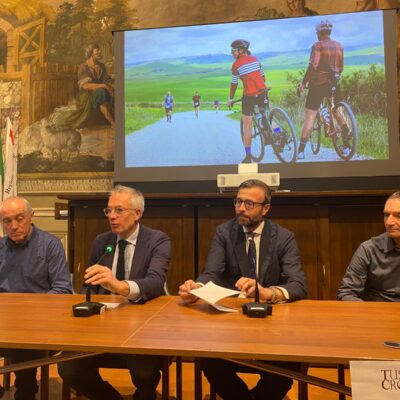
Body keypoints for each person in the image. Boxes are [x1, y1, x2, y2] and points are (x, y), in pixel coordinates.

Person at [179, 179, 307, 400]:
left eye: (249, 204)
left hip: (272, 324)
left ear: (265, 209)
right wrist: (197, 288)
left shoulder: (283, 237)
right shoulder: (225, 232)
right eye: (238, 202)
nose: (241, 208)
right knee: (208, 359)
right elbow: (212, 272)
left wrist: (268, 293)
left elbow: (298, 284)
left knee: (288, 364)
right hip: (231, 322)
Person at [58, 185, 171, 400]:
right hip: (101, 327)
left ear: (137, 214)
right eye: (108, 210)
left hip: (142, 328)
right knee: (68, 368)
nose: (111, 216)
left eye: (119, 210)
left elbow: (156, 282)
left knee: (145, 373)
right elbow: (88, 285)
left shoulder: (157, 240)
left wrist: (120, 286)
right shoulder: (102, 241)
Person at [0, 196, 72, 400]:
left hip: (39, 324)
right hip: (5, 323)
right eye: (7, 221)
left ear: (31, 217)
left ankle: (25, 392)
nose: (14, 226)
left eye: (19, 218)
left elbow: (62, 290)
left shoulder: (50, 245)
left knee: (22, 344)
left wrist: (28, 311)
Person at [297, 21, 346, 160]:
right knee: (337, 110)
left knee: (310, 116)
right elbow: (341, 67)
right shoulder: (339, 45)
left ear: (318, 33)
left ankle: (301, 151)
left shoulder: (317, 46)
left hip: (317, 84)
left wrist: (303, 83)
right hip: (334, 83)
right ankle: (347, 142)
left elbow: (313, 66)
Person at [337, 191, 400, 302]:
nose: (389, 222)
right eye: (386, 215)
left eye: (398, 216)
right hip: (377, 309)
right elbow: (347, 292)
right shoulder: (368, 250)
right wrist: (366, 310)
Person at [227, 40, 267, 164]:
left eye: (233, 50)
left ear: (241, 50)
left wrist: (231, 99)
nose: (232, 53)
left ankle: (248, 156)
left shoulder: (236, 65)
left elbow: (234, 83)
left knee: (247, 127)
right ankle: (278, 134)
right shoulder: (255, 59)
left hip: (249, 96)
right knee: (265, 115)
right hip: (263, 92)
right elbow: (263, 78)